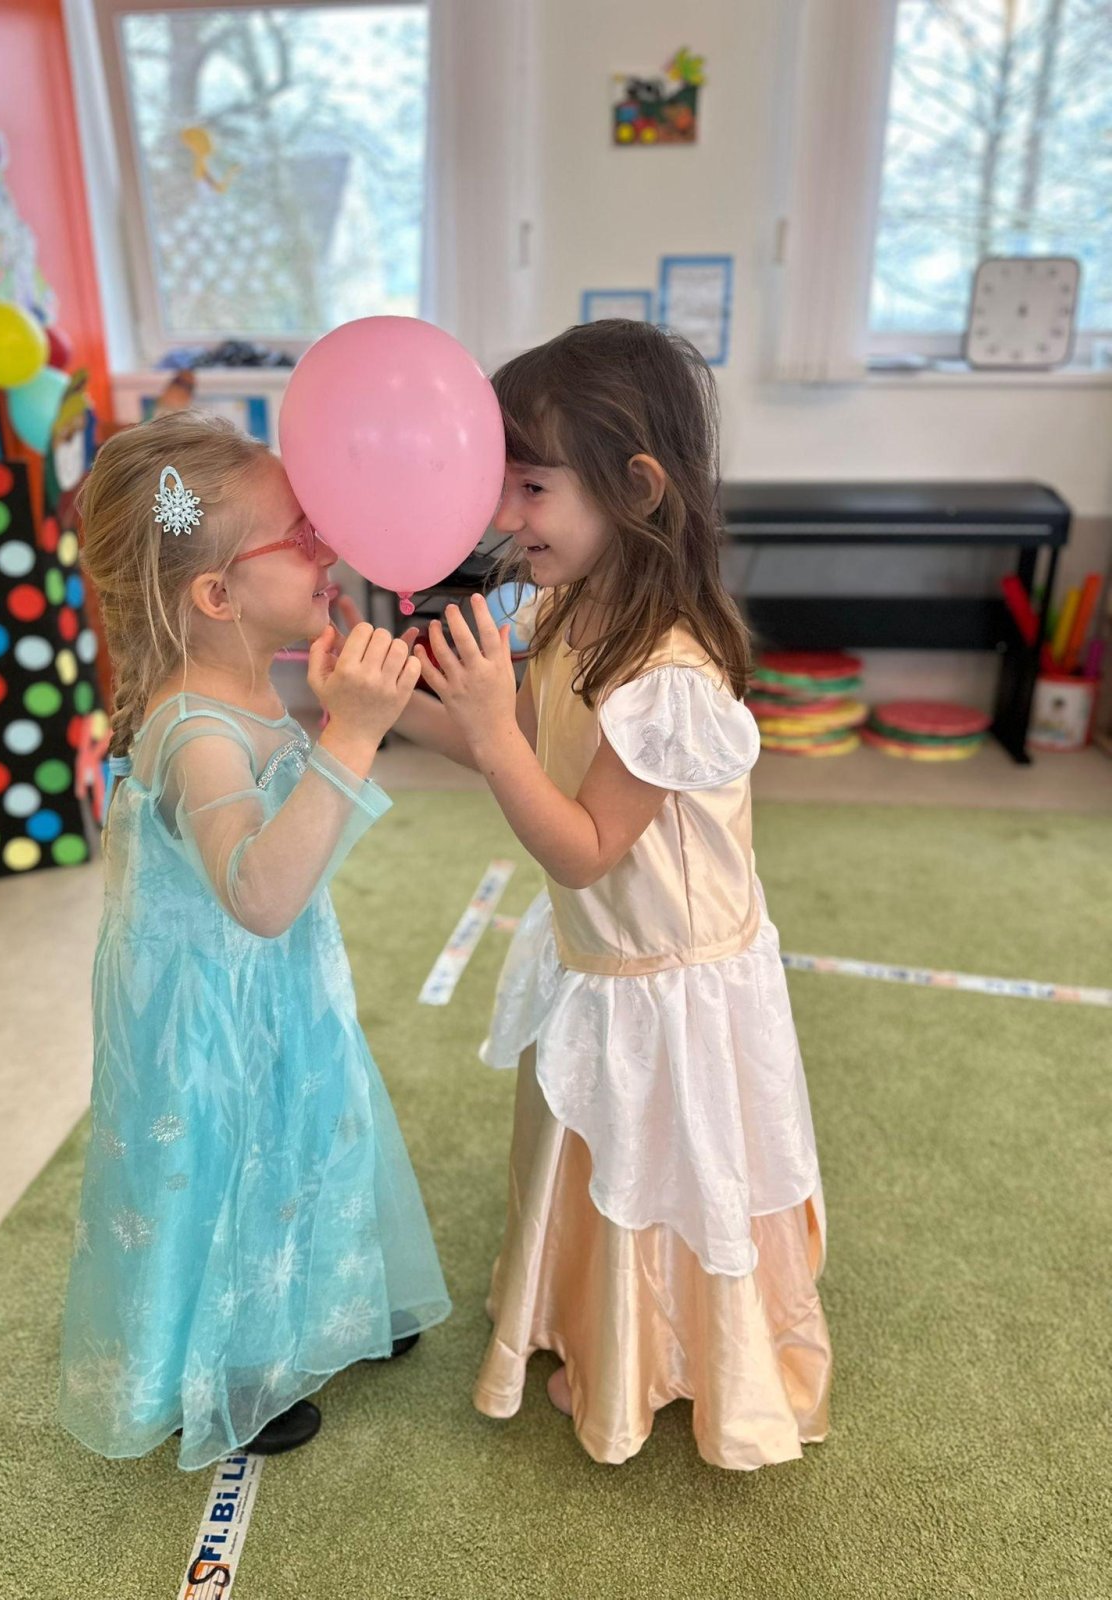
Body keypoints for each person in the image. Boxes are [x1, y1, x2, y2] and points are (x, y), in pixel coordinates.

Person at [394, 320, 831, 1469]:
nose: (501, 513)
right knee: (603, 1160)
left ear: (636, 488)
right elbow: (498, 744)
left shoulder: (667, 673)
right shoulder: (563, 607)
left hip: (668, 979)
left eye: (531, 485)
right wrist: (389, 701)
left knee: (672, 1173)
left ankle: (675, 1356)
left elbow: (583, 846)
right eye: (501, 481)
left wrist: (491, 731)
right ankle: (604, 1323)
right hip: (603, 962)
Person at [58, 411, 450, 1471]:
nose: (329, 545)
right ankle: (222, 1367)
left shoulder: (248, 689)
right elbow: (260, 896)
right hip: (207, 1016)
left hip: (276, 992)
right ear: (217, 596)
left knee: (309, 1124)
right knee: (223, 1164)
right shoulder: (195, 730)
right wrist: (351, 735)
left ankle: (332, 1299)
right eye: (302, 534)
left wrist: (356, 713)